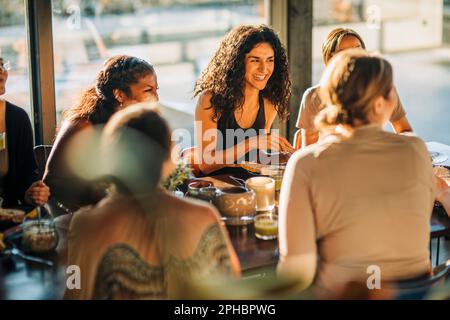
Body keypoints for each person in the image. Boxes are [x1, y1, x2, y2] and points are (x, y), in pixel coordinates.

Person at [277, 49, 435, 297]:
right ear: (381, 103)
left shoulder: (306, 163)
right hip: (422, 292)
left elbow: (298, 272)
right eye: (391, 89)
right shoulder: (417, 150)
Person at [65, 104, 240, 300]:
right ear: (168, 159)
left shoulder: (86, 224)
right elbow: (232, 282)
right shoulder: (205, 215)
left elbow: (74, 289)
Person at [43, 55, 158, 212]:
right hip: (81, 216)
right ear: (119, 94)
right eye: (148, 90)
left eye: (156, 90)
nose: (156, 98)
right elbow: (52, 182)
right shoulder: (83, 126)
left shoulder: (137, 121)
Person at [193, 25, 294, 177]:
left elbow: (252, 158)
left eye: (270, 60)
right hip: (215, 189)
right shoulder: (210, 100)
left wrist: (285, 157)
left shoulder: (269, 103)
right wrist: (252, 143)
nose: (264, 69)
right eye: (255, 60)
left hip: (250, 186)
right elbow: (206, 164)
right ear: (237, 62)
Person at [293, 27, 413, 149]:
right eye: (344, 53)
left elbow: (404, 130)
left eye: (357, 49)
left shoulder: (382, 89)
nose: (354, 57)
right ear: (330, 60)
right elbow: (309, 148)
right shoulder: (314, 97)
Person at [0, 57, 49, 207]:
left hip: (8, 217)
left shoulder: (17, 117)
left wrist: (31, 193)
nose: (1, 70)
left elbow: (27, 173)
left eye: (1, 64)